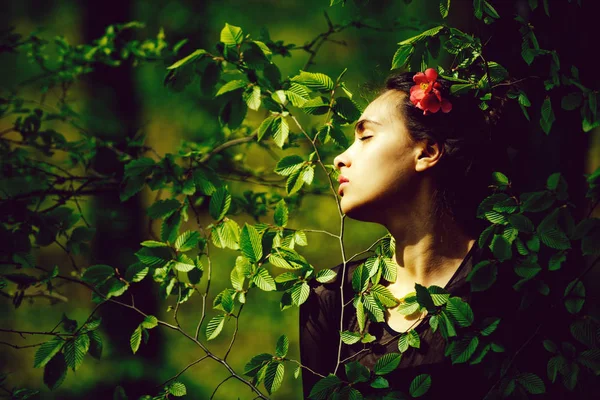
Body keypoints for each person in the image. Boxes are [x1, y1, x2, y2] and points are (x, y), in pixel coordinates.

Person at [299, 69, 517, 399]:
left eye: (366, 136)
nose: (340, 158)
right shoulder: (330, 297)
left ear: (427, 152)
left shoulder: (506, 285)